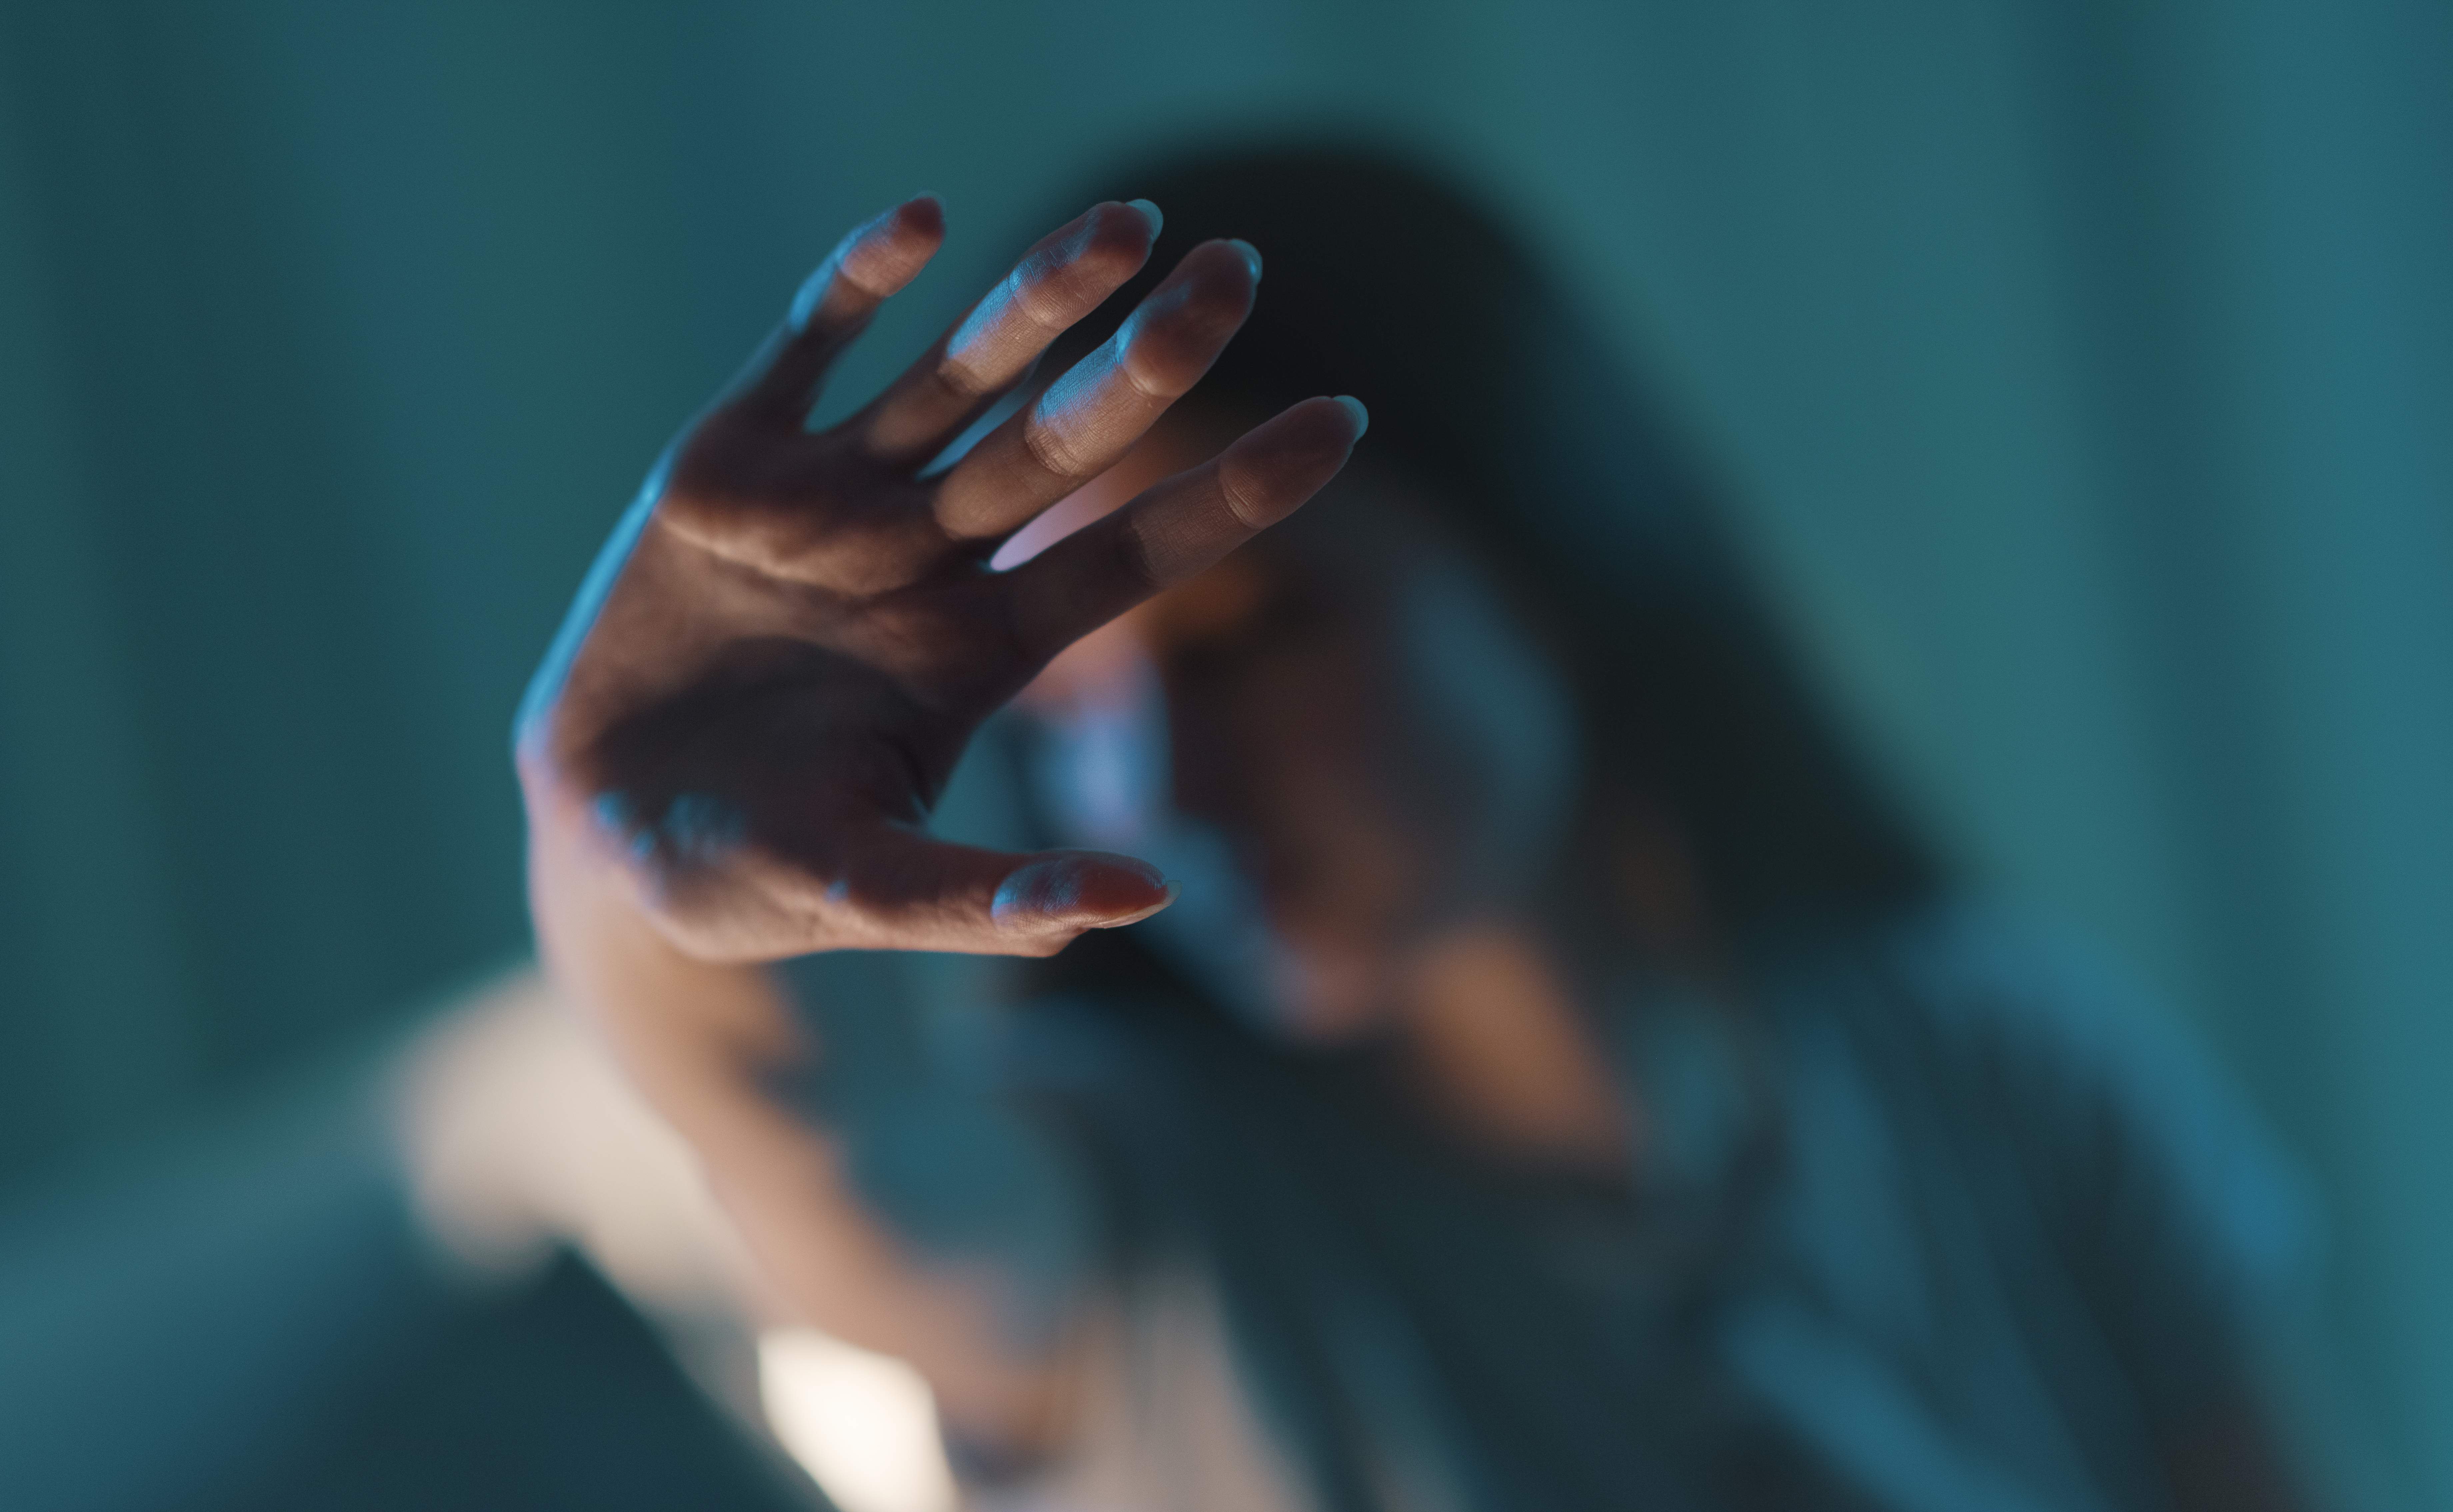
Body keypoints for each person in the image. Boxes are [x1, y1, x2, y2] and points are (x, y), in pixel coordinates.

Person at [517, 145, 2315, 1511]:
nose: (1160, 787)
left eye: (1257, 637)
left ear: (1547, 561)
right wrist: (640, 859)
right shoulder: (1128, 1231)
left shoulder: (1991, 1064)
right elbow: (814, 1139)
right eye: (1071, 715)